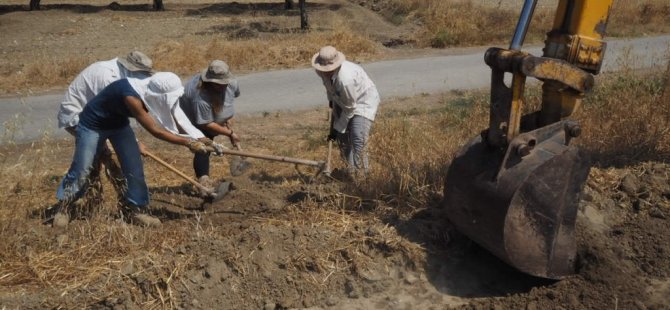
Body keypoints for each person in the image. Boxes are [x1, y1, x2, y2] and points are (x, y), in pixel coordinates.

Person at [52, 72, 213, 228]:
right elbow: (156, 131)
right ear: (160, 95)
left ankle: (135, 211)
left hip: (118, 125)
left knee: (134, 167)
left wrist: (199, 138)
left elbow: (176, 115)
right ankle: (65, 207)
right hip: (93, 125)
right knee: (83, 167)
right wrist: (188, 143)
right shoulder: (132, 96)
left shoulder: (154, 87)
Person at [56, 51, 155, 206]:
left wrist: (133, 143)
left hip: (110, 119)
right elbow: (102, 110)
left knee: (129, 162)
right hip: (79, 116)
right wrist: (135, 141)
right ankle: (68, 204)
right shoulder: (107, 76)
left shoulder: (126, 77)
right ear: (130, 68)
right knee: (92, 162)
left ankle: (131, 206)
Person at [311, 46, 380, 177]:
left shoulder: (345, 79)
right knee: (343, 140)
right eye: (323, 69)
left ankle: (362, 176)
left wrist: (336, 129)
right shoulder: (320, 71)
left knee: (357, 137)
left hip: (363, 101)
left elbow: (350, 108)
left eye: (328, 70)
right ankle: (350, 172)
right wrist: (331, 101)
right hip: (342, 99)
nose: (325, 72)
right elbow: (329, 86)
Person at [179, 60, 241, 192]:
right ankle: (204, 181)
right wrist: (229, 133)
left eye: (225, 83)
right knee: (204, 147)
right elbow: (206, 124)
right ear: (210, 82)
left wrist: (226, 117)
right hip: (195, 121)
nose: (223, 86)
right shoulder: (199, 97)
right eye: (219, 84)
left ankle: (239, 161)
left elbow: (231, 97)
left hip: (211, 116)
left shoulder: (232, 83)